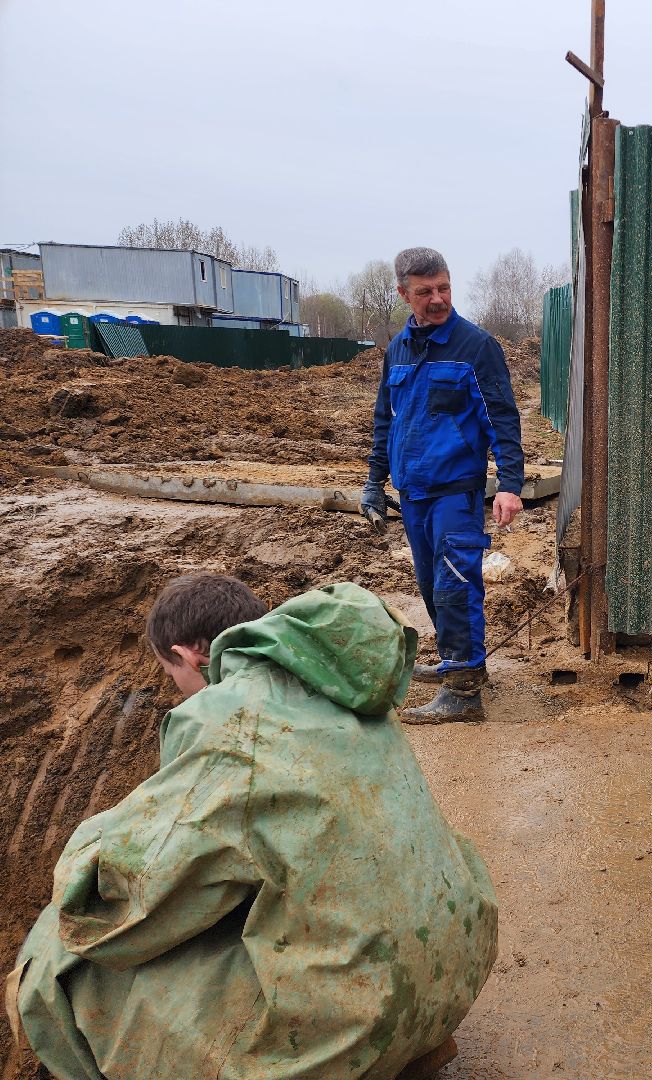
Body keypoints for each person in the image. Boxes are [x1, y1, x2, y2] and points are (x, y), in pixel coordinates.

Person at [6, 574, 499, 1079]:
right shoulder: (338, 680)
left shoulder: (228, 720)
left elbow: (135, 905)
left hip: (359, 1016)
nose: (177, 691)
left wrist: (86, 862)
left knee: (58, 961)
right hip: (450, 977)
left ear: (192, 658)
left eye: (171, 673)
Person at [362, 246, 524, 723]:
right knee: (432, 587)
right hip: (413, 494)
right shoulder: (399, 349)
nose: (437, 299)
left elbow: (503, 419)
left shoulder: (476, 347)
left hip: (456, 491)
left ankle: (464, 691)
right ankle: (461, 661)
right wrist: (375, 481)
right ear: (403, 294)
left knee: (456, 587)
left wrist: (510, 483)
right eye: (425, 291)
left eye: (444, 288)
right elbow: (384, 421)